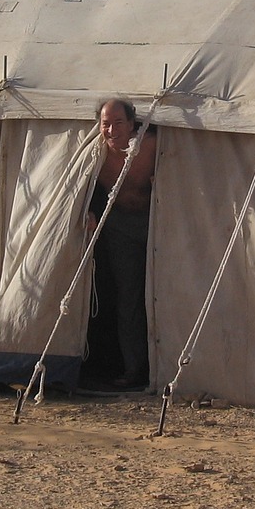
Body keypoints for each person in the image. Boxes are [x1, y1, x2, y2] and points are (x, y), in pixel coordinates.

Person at [84, 98, 157, 391]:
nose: (111, 130)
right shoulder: (95, 155)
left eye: (118, 123)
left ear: (132, 124)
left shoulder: (151, 147)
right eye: (105, 124)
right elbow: (78, 185)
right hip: (119, 226)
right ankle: (133, 368)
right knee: (128, 295)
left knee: (163, 292)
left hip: (156, 222)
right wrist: (88, 211)